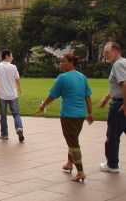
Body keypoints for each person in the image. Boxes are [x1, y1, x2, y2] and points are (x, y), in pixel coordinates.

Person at [37, 54, 94, 182]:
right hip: (80, 114)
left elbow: (53, 95)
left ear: (71, 63)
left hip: (68, 115)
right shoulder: (82, 77)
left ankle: (80, 171)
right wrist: (90, 112)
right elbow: (87, 96)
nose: (61, 64)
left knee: (73, 142)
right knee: (72, 138)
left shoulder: (62, 78)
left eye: (63, 62)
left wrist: (43, 105)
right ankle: (69, 163)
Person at [99, 42, 126, 173]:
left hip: (119, 106)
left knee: (113, 136)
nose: (105, 55)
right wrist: (107, 96)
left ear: (116, 52)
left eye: (107, 52)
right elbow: (119, 87)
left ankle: (112, 164)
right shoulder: (124, 62)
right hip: (121, 102)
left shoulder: (118, 64)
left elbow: (124, 84)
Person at [0, 49, 24, 142]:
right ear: (6, 56)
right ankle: (19, 128)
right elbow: (17, 78)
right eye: (11, 55)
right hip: (13, 94)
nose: (12, 57)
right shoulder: (13, 67)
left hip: (2, 95)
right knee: (16, 113)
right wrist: (19, 87)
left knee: (3, 115)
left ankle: (4, 134)